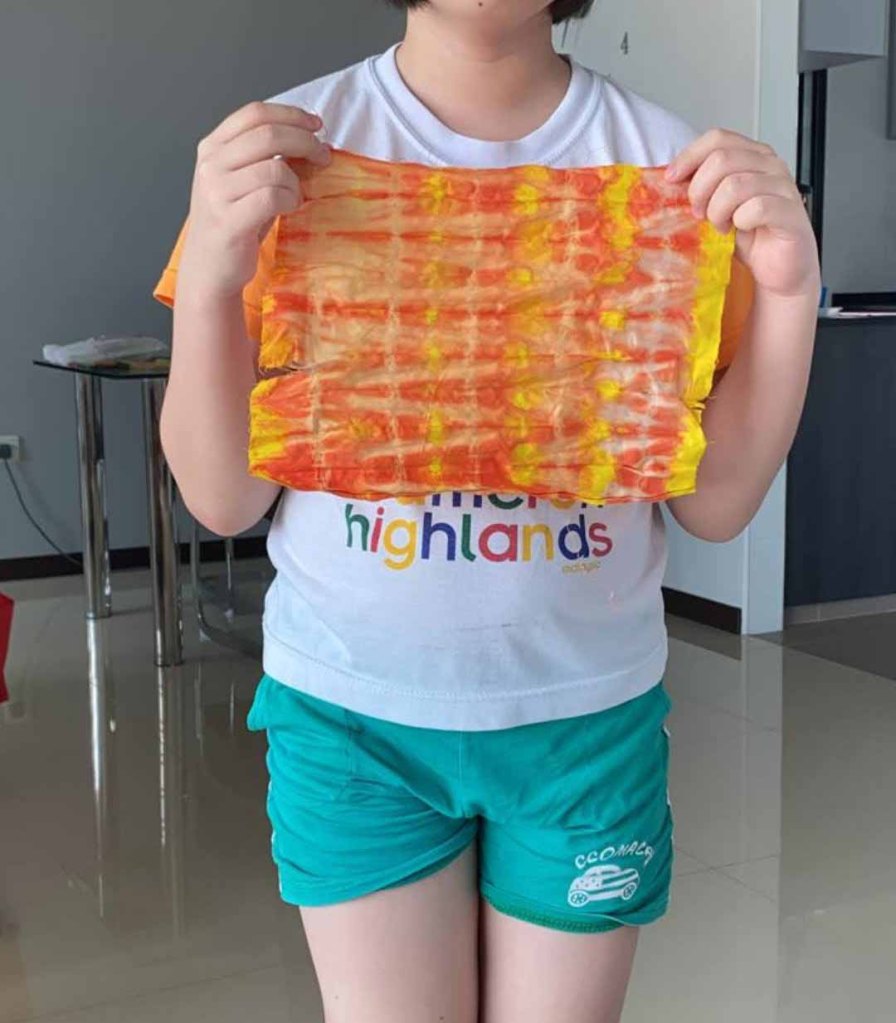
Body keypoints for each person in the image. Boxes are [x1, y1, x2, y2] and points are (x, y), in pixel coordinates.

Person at [153, 2, 820, 1020]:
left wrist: (790, 294)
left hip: (584, 723)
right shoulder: (283, 153)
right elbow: (222, 497)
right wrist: (208, 277)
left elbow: (717, 505)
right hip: (352, 715)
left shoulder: (675, 170)